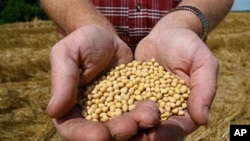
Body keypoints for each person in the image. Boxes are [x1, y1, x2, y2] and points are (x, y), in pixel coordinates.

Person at [41, 0, 234, 140]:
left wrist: (184, 22)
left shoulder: (169, 93)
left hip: (171, 72)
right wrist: (87, 23)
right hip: (93, 68)